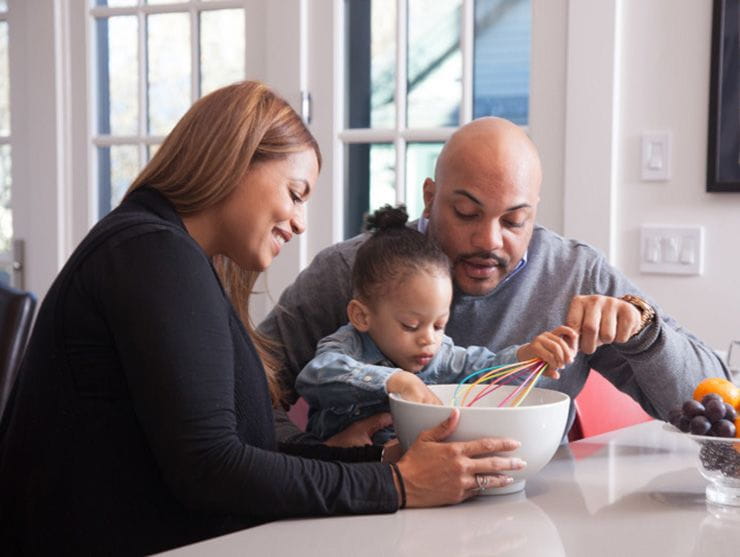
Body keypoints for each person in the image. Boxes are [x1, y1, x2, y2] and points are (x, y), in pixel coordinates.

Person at [0, 83, 528, 556]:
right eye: (295, 193)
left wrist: (377, 464)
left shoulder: (167, 253)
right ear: (236, 159)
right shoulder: (154, 256)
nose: (300, 222)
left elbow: (235, 452)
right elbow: (211, 469)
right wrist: (398, 486)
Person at [259, 116, 729, 445]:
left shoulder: (574, 275)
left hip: (532, 515)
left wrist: (644, 333)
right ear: (430, 197)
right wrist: (316, 456)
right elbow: (246, 391)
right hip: (378, 506)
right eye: (466, 213)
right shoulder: (355, 272)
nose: (488, 239)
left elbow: (718, 410)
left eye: (514, 221)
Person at [296, 204, 577, 443]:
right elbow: (315, 375)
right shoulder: (347, 346)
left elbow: (485, 370)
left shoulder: (441, 356)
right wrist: (395, 380)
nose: (428, 339)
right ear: (362, 316)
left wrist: (526, 356)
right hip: (342, 478)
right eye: (410, 325)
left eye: (439, 325)